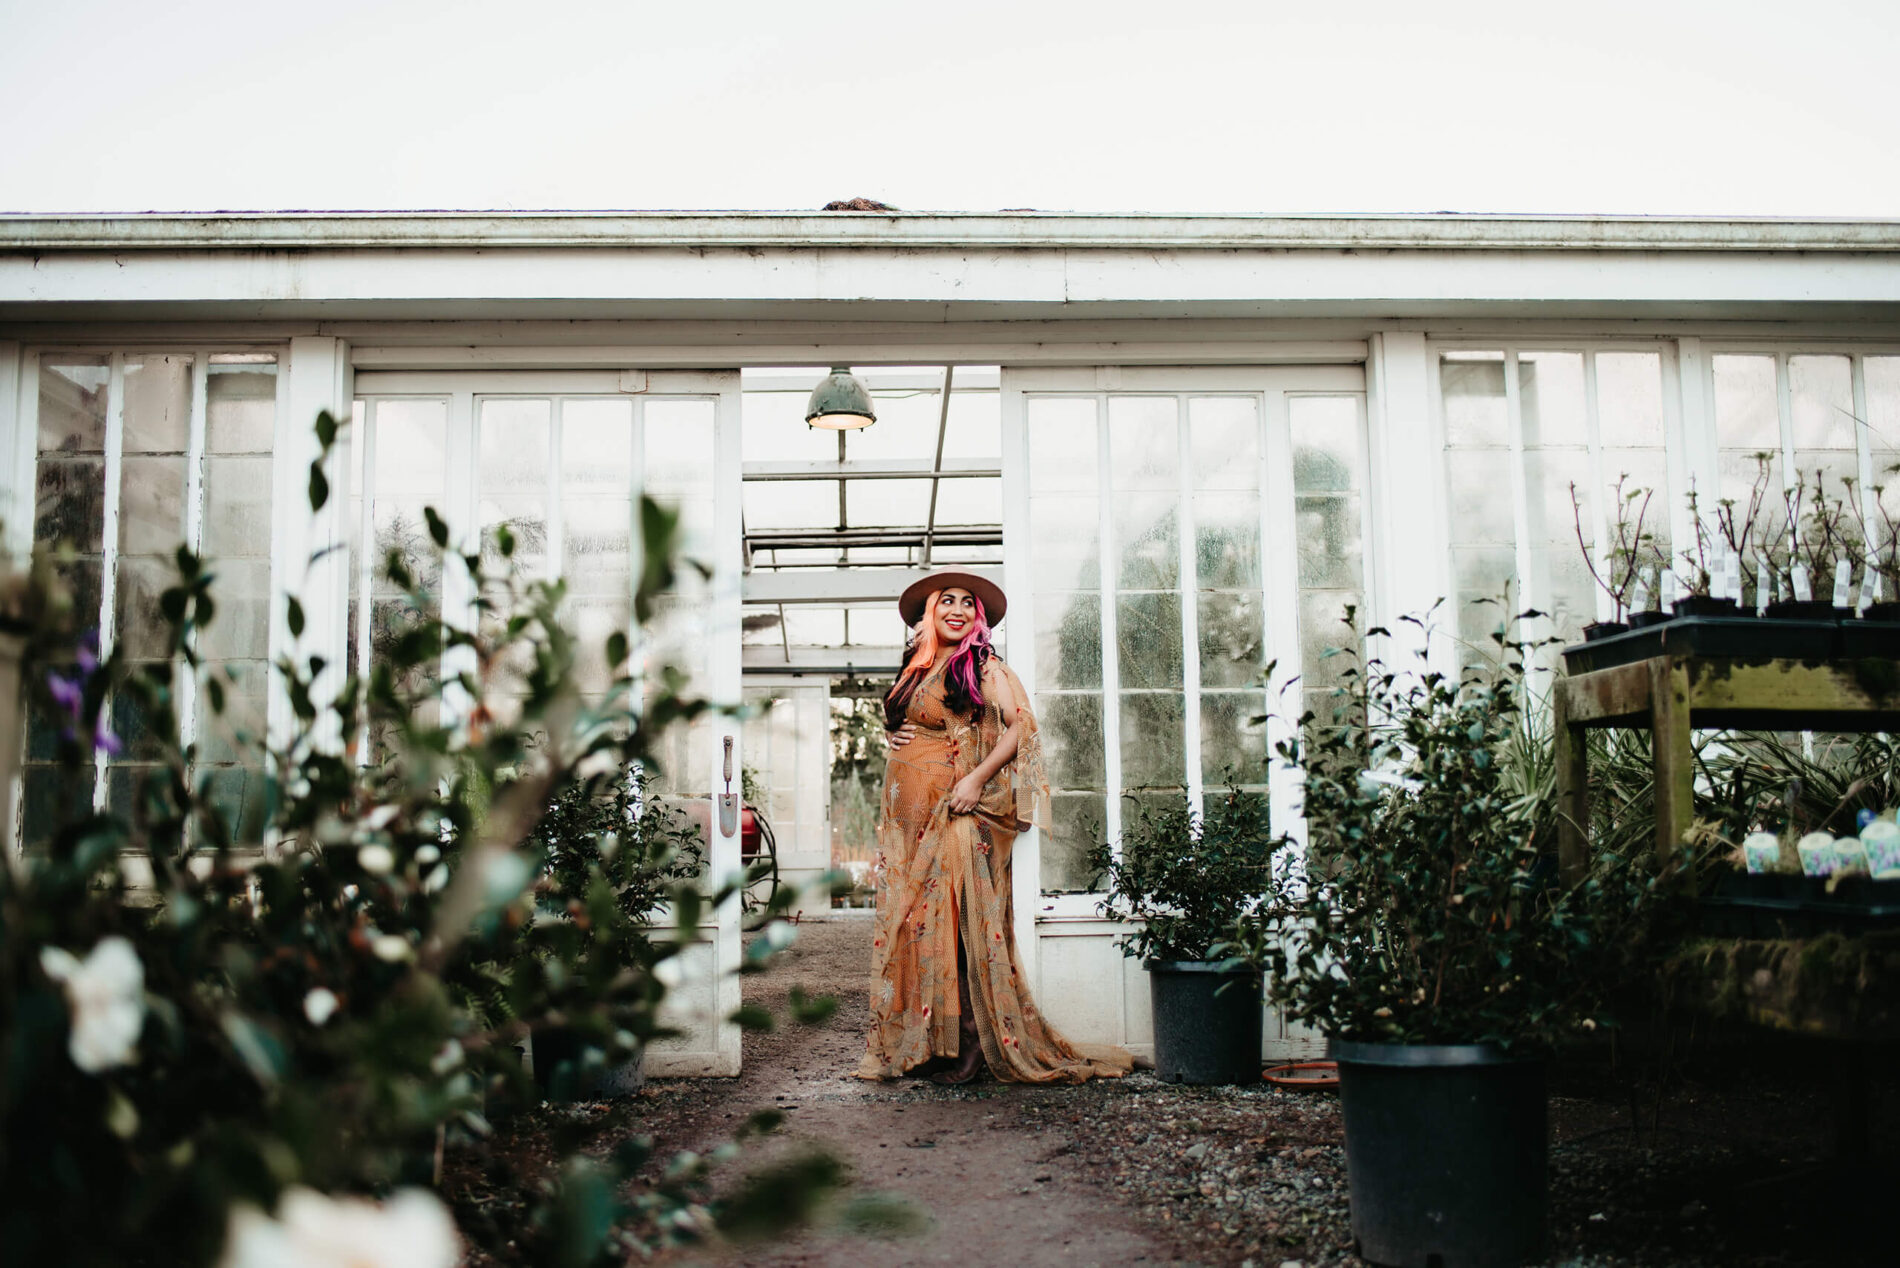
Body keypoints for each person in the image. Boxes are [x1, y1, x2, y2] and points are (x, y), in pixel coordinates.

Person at [855, 569, 1133, 1086]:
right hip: (909, 822)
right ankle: (928, 1042)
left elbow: (1021, 725)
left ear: (977, 618)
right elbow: (908, 719)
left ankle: (972, 1044)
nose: (957, 610)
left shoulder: (982, 663)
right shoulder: (917, 666)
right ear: (929, 613)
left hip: (956, 812)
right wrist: (891, 736)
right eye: (947, 602)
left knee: (959, 929)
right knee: (920, 927)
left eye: (968, 604)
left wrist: (977, 781)